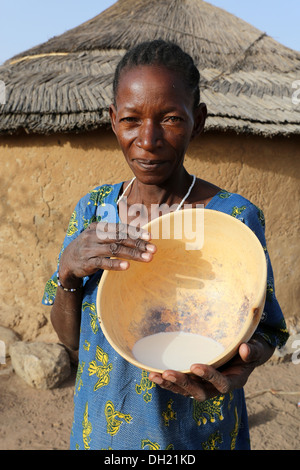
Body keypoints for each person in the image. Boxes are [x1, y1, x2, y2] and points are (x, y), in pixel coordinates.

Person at [42, 39, 289, 450]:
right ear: (112, 121)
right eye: (131, 120)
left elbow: (267, 329)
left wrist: (245, 364)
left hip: (198, 436)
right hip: (106, 434)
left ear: (200, 121)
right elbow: (70, 339)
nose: (148, 138)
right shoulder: (95, 211)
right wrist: (68, 269)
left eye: (171, 118)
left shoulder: (232, 217)